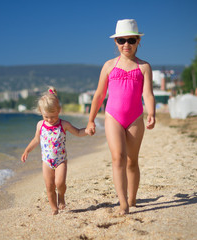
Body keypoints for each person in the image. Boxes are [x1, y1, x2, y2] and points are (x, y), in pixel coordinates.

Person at [85, 19, 156, 215]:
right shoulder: (108, 66)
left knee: (132, 160)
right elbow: (99, 95)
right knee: (118, 158)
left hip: (135, 118)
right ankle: (123, 202)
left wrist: (151, 113)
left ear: (138, 41)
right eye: (121, 40)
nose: (126, 44)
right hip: (112, 117)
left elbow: (148, 94)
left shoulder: (144, 67)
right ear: (115, 42)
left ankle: (132, 198)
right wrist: (91, 120)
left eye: (131, 40)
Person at [21, 87, 87, 215]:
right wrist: (27, 150)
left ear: (59, 111)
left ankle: (61, 196)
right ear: (41, 112)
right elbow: (36, 140)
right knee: (49, 186)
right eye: (47, 117)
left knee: (59, 183)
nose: (50, 120)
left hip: (61, 160)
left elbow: (78, 132)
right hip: (46, 161)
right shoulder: (40, 125)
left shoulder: (64, 124)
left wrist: (88, 130)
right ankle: (54, 208)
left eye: (53, 116)